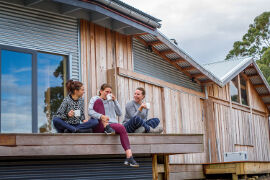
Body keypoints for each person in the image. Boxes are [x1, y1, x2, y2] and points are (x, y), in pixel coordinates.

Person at [88, 83, 139, 167]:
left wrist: (115, 101)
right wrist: (101, 116)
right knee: (99, 101)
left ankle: (129, 157)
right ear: (101, 91)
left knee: (122, 128)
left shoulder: (111, 101)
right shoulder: (95, 99)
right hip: (100, 125)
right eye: (106, 91)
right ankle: (106, 127)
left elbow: (119, 113)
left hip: (111, 126)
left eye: (110, 92)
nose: (108, 94)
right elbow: (90, 112)